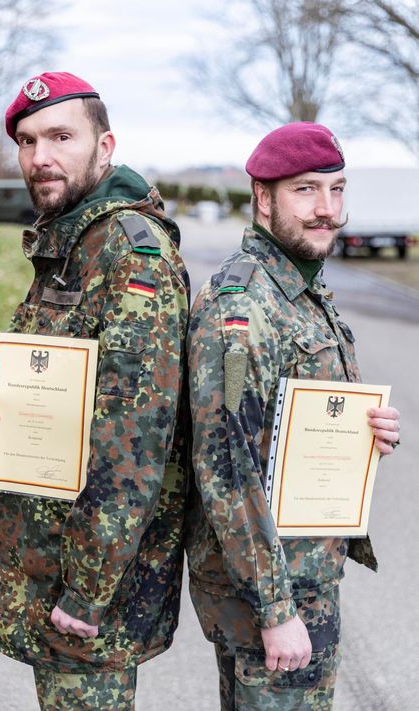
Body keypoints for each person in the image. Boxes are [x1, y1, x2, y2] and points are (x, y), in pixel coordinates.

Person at [0, 72, 189, 711]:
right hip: (51, 560)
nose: (41, 158)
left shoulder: (129, 254)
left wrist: (87, 591)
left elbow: (136, 445)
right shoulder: (71, 242)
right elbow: (70, 381)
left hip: (90, 587)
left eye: (62, 136)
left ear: (106, 145)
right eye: (28, 140)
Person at [185, 122, 400, 710]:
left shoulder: (300, 290)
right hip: (270, 592)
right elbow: (226, 465)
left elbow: (289, 421)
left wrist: (368, 430)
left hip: (305, 568)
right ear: (263, 197)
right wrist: (277, 610)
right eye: (306, 190)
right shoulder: (243, 305)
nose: (327, 209)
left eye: (336, 189)